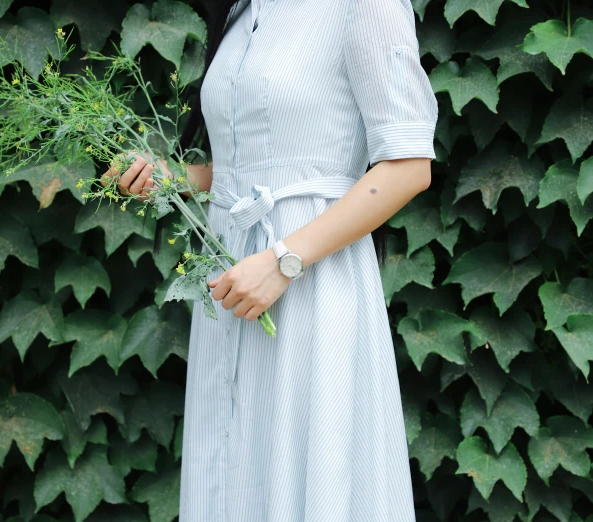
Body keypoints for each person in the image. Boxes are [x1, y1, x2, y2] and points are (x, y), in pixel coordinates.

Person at [103, 0, 438, 519]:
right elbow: (258, 159)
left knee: (308, 475)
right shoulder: (240, 11)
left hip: (310, 287)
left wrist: (283, 260)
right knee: (230, 470)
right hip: (230, 282)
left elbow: (409, 165)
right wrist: (175, 177)